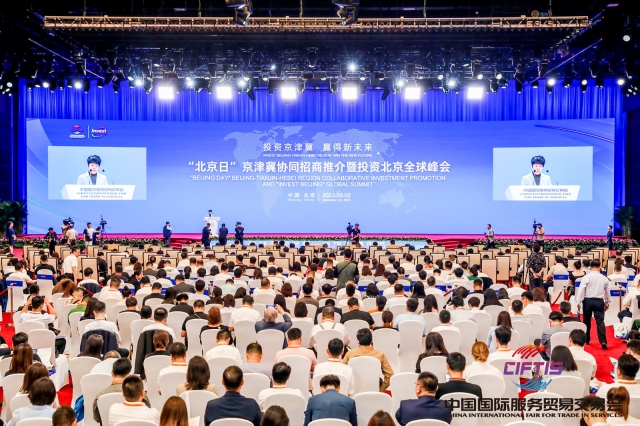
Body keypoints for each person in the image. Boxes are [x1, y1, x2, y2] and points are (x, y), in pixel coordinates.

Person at [93, 358, 151, 424]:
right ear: (129, 375)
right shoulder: (141, 395)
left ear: (112, 373)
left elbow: (97, 419)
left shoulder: (99, 396)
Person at [576, 259, 610, 349]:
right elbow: (607, 292)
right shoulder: (604, 278)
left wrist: (578, 301)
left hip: (588, 301)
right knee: (600, 322)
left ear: (590, 267)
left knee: (586, 321)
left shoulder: (586, 277)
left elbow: (581, 290)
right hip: (599, 301)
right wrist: (607, 303)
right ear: (599, 267)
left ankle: (586, 340)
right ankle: (603, 341)